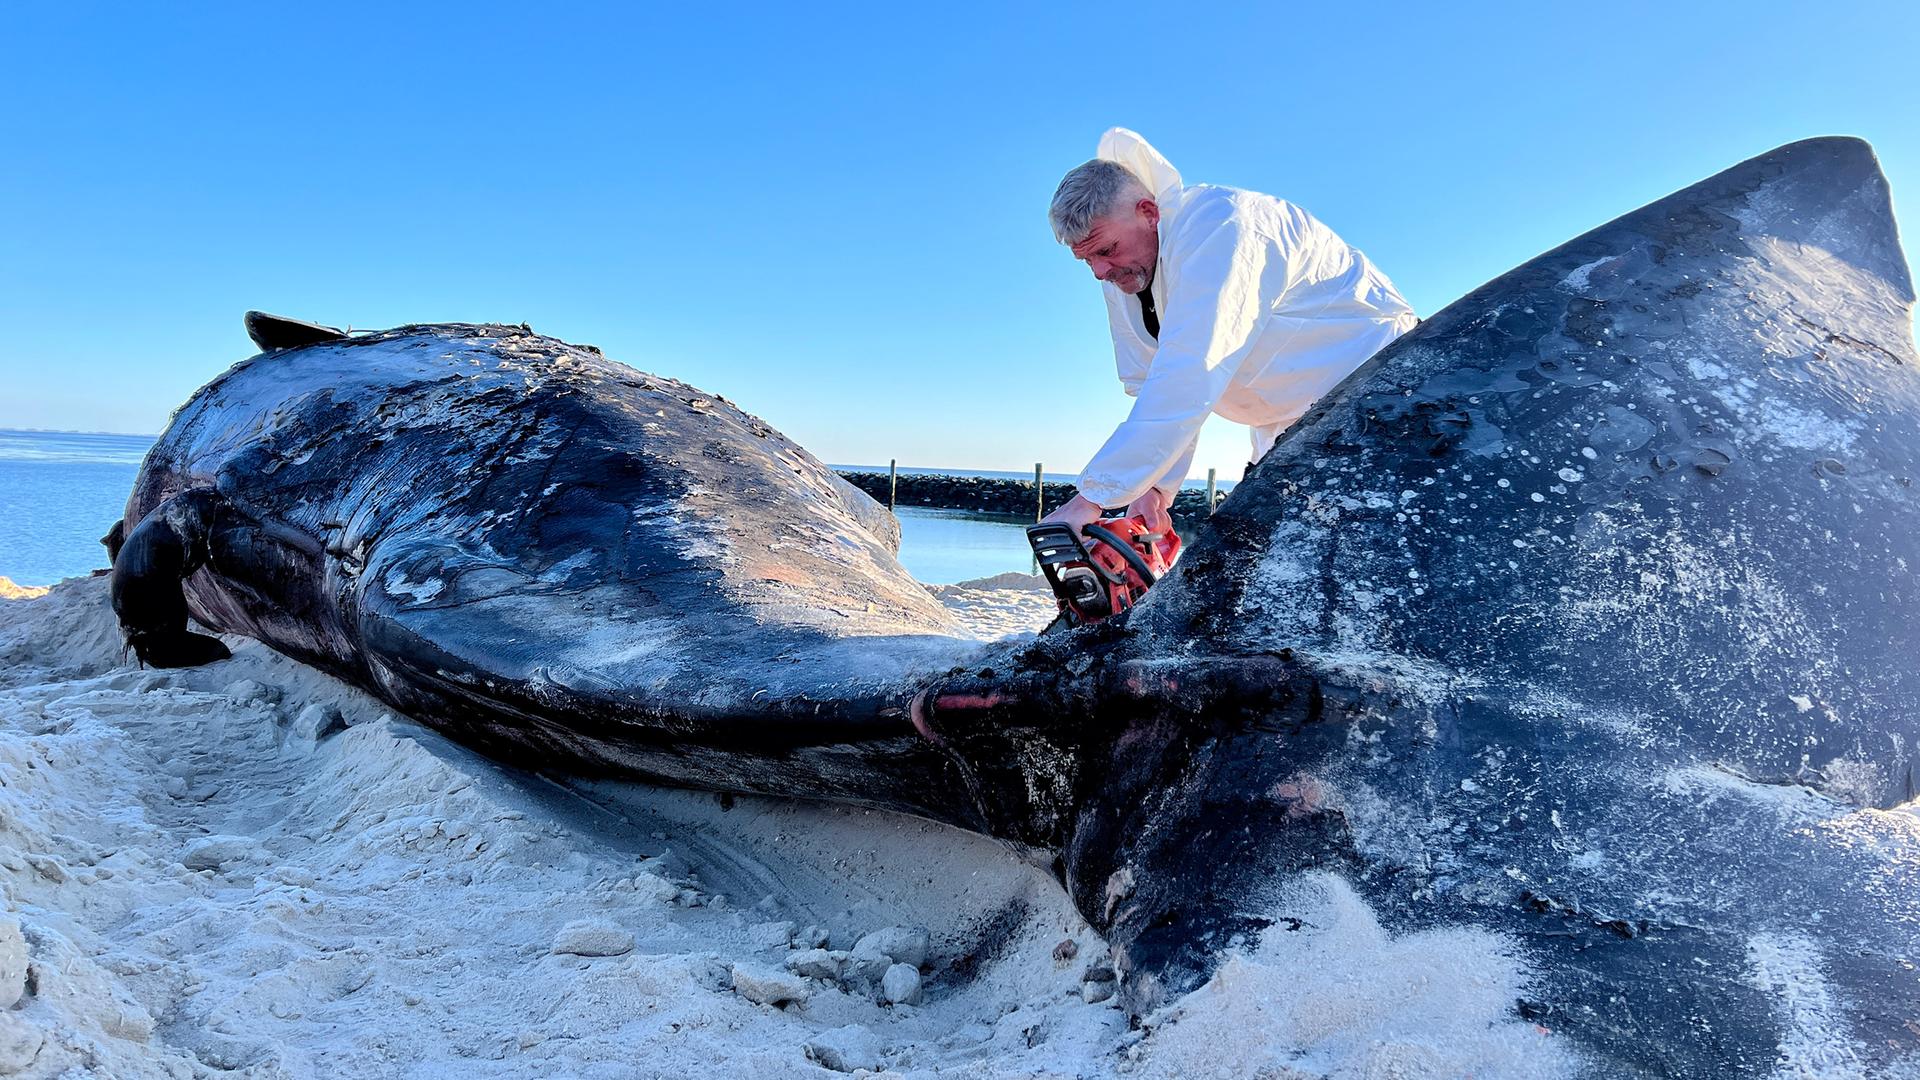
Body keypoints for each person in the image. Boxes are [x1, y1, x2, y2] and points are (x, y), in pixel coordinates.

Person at [1039, 129, 1418, 537]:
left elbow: (1192, 369)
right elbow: (1153, 385)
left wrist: (1092, 499)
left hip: (1379, 389)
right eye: (1087, 260)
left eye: (1106, 250)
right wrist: (1154, 487)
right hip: (1285, 421)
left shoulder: (1220, 226)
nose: (1099, 271)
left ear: (1149, 212)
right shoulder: (1125, 272)